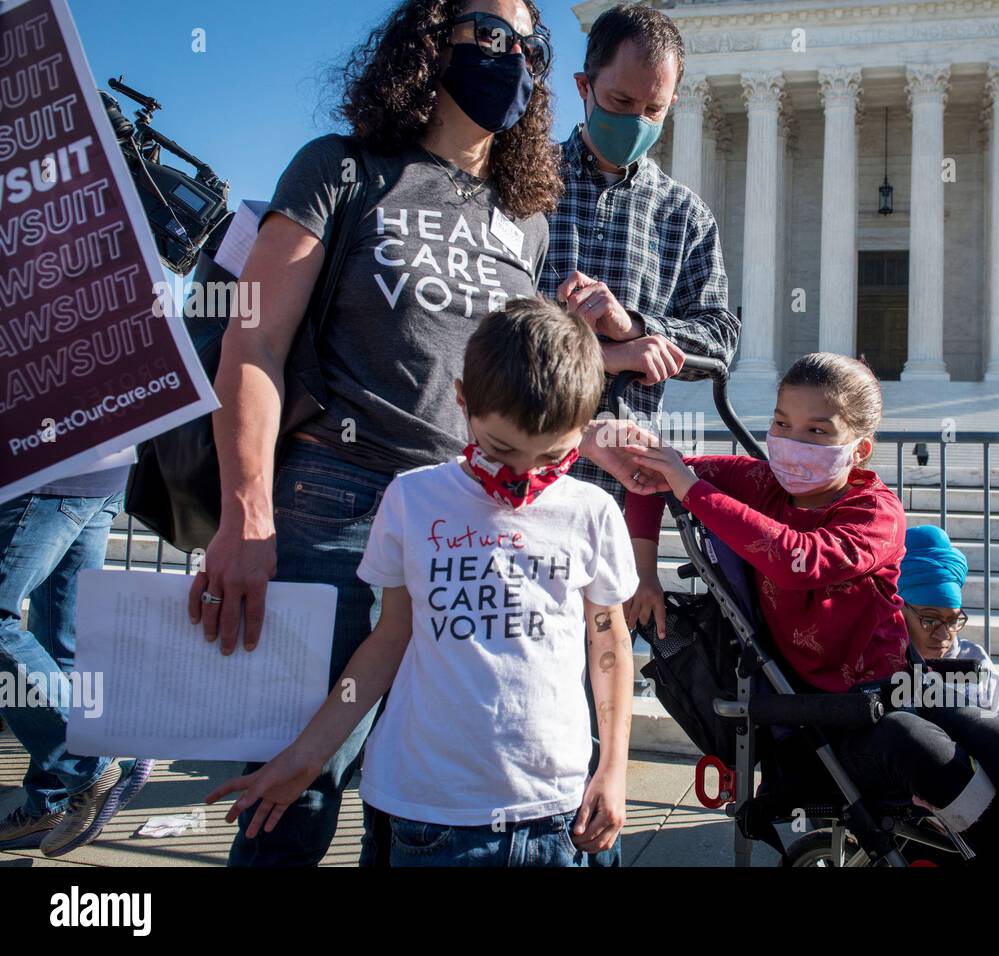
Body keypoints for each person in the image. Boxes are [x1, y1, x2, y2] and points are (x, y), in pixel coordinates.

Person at [191, 0, 656, 866]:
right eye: (486, 33)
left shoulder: (526, 219)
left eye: (528, 44)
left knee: (417, 788)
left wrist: (586, 441)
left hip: (464, 514)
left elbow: (499, 387)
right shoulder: (341, 168)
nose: (508, 56)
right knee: (294, 790)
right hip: (333, 501)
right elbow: (253, 339)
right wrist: (245, 511)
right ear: (427, 42)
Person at [623, 353, 999, 865]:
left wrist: (693, 489)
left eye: (817, 430)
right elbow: (650, 473)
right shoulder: (762, 484)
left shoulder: (875, 512)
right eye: (781, 423)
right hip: (816, 724)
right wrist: (646, 575)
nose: (791, 441)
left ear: (860, 449)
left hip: (894, 693)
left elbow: (799, 559)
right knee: (917, 746)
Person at [205, 298, 639, 866]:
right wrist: (308, 755)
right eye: (502, 450)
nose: (523, 476)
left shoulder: (592, 511)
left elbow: (609, 643)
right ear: (462, 401)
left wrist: (612, 770)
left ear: (584, 428)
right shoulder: (412, 498)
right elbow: (387, 640)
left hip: (560, 812)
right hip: (427, 815)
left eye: (552, 456)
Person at [542, 2, 739, 506]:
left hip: (621, 487)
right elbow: (480, 327)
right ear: (584, 87)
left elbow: (719, 341)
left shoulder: (685, 215)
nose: (636, 122)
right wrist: (606, 357)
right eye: (621, 100)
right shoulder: (525, 184)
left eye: (653, 110)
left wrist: (636, 327)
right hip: (517, 463)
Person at [0, 461, 153, 857]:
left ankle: (89, 766)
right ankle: (51, 803)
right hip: (99, 475)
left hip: (40, 477)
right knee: (58, 646)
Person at [898, 525, 999, 717]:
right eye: (930, 620)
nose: (944, 635)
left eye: (952, 621)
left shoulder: (976, 662)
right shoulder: (874, 666)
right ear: (899, 610)